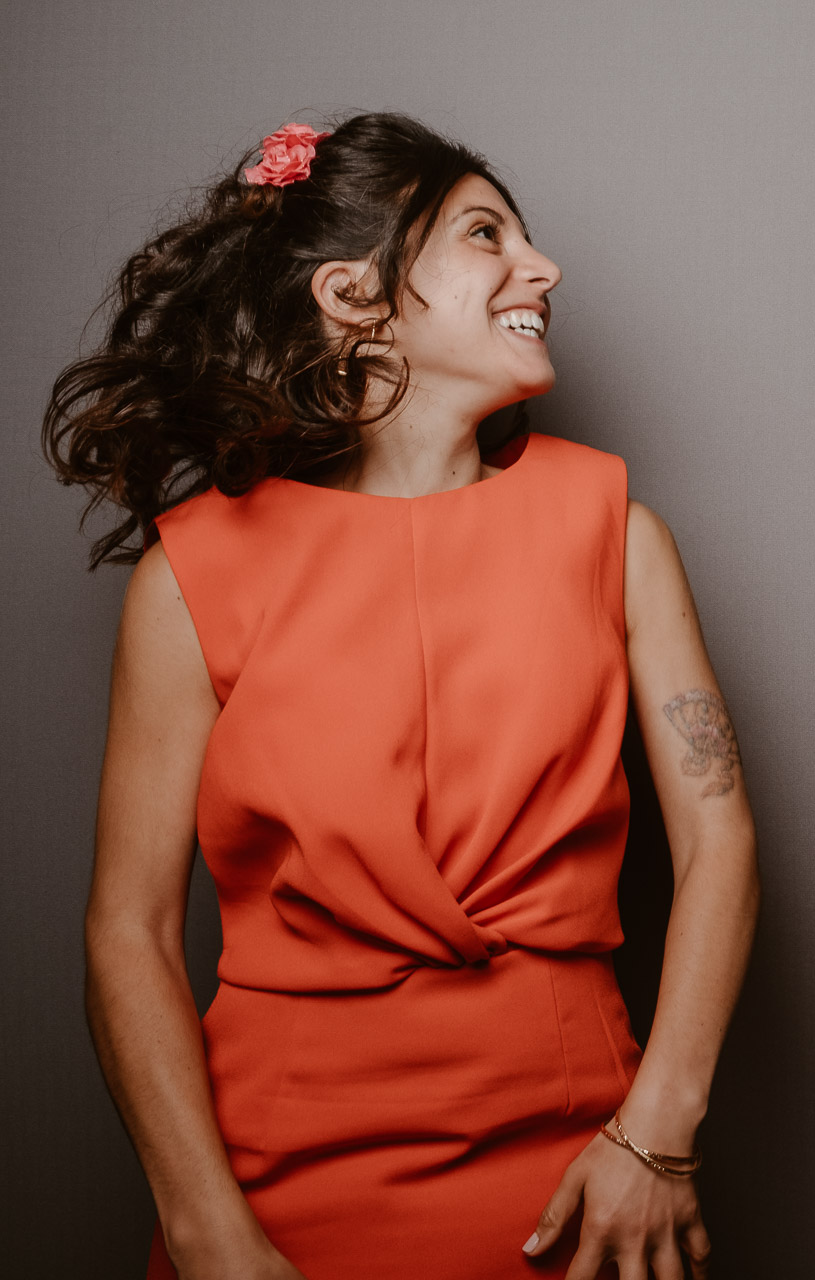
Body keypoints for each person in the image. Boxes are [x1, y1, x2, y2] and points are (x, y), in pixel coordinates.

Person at [46, 114, 756, 1280]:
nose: (544, 268)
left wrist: (657, 1134)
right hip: (270, 1183)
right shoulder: (192, 576)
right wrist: (205, 1226)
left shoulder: (616, 534)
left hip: (581, 1171)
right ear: (353, 297)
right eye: (488, 235)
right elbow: (125, 930)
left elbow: (720, 841)